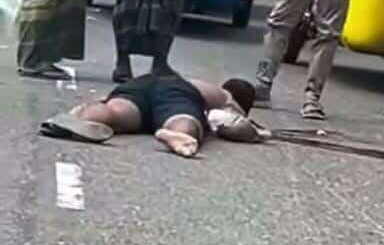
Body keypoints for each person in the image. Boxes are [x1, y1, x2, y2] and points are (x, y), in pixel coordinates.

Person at [41, 75, 269, 157]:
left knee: (116, 111)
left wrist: (95, 104)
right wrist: (258, 132)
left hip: (139, 85)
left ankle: (84, 119)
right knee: (183, 119)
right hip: (176, 93)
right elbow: (235, 121)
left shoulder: (199, 82)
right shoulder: (224, 96)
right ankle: (179, 136)